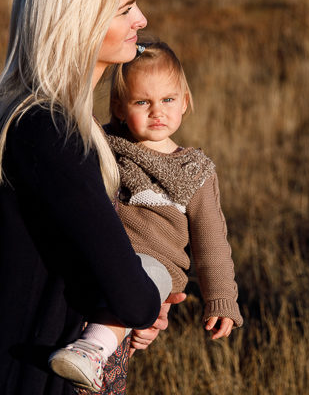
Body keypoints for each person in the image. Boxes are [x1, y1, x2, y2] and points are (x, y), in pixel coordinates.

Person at [0, 0, 184, 395]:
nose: (142, 18)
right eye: (124, 9)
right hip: (26, 378)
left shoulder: (47, 120)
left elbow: (69, 264)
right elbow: (133, 298)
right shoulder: (50, 130)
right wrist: (147, 296)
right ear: (80, 19)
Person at [49, 41, 243, 393]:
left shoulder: (194, 171)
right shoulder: (108, 145)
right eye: (143, 102)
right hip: (104, 260)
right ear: (119, 108)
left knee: (142, 278)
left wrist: (221, 299)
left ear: (185, 101)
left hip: (156, 270)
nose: (158, 112)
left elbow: (212, 241)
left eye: (168, 100)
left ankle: (93, 350)